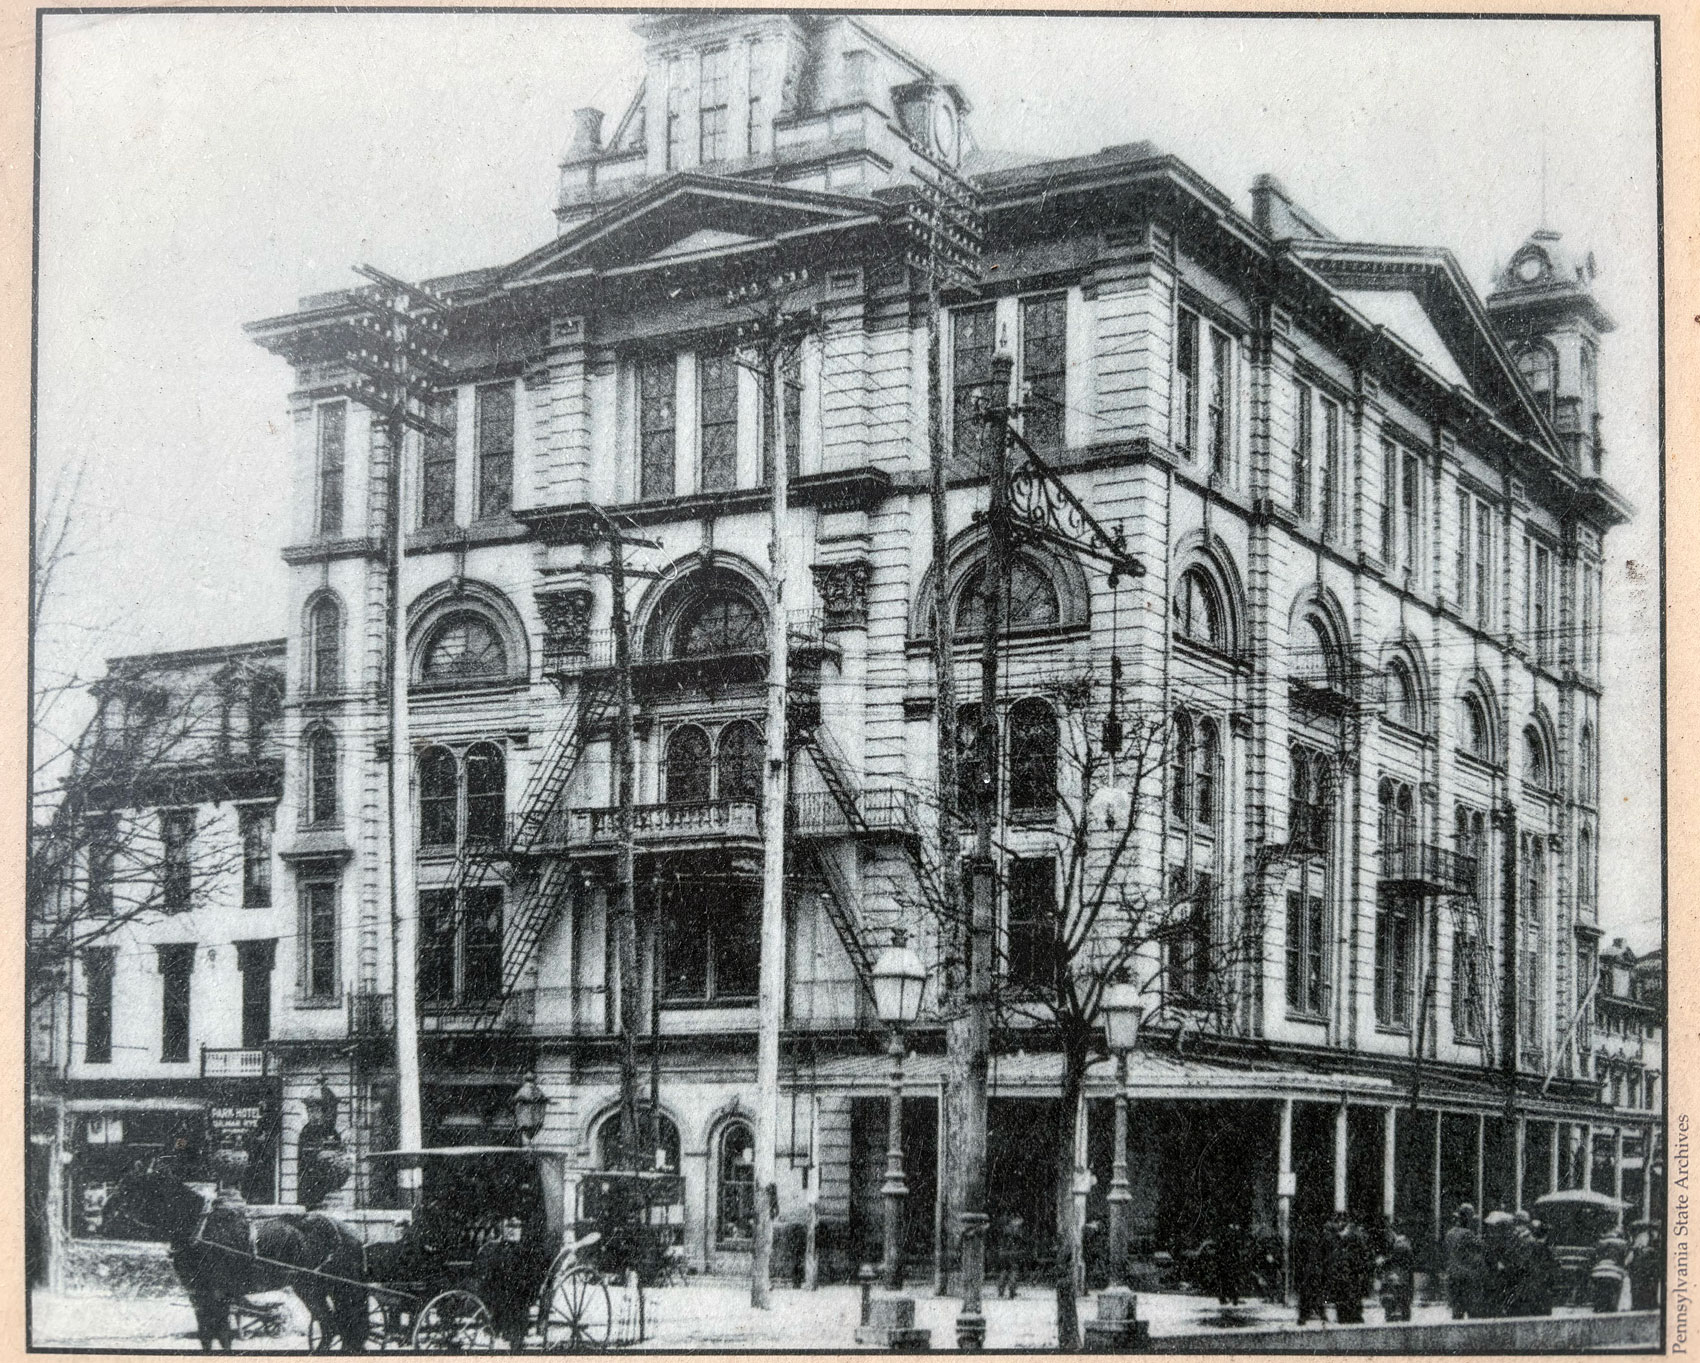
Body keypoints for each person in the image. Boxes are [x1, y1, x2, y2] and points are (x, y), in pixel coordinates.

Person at [1444, 1203, 1486, 1319]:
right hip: (1467, 1277)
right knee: (1473, 1311)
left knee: (1457, 1312)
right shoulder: (1468, 1234)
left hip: (1452, 1275)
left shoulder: (1450, 1233)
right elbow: (1482, 1247)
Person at [1294, 1216, 1330, 1325]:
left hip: (1309, 1267)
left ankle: (1306, 1315)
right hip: (1313, 1267)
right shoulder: (1317, 1236)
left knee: (1309, 1292)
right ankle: (1317, 1313)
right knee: (1315, 1291)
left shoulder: (1302, 1236)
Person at [1378, 1223, 1415, 1322]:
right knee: (1403, 1305)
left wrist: (1383, 1261)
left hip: (1399, 1279)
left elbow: (1394, 1259)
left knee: (1397, 1304)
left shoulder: (1400, 1244)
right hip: (1403, 1279)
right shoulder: (1404, 1244)